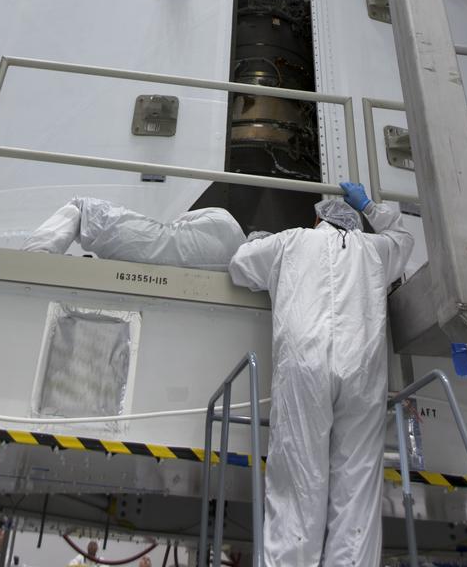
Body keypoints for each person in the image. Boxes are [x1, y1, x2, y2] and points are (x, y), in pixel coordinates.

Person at [228, 181, 414, 567]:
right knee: (357, 482)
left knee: (298, 481)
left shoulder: (290, 241)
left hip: (304, 368)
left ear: (316, 220)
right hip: (362, 371)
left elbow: (239, 266)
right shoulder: (374, 249)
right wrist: (371, 206)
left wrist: (259, 240)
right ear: (355, 223)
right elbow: (403, 238)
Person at [23, 194, 248, 270]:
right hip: (188, 251)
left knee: (82, 208)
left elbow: (178, 222)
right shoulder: (235, 259)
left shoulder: (224, 219)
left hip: (156, 246)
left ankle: (35, 260)